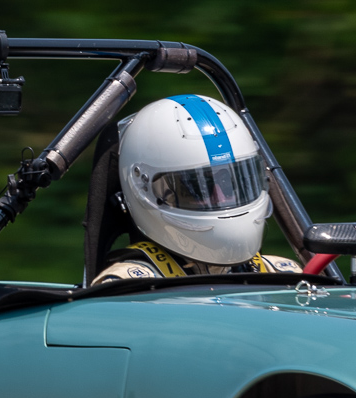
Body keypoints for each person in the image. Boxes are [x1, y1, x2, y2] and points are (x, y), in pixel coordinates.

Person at [92, 94, 303, 284]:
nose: (221, 197)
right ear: (143, 188)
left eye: (231, 183)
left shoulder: (284, 274)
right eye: (197, 187)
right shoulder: (126, 287)